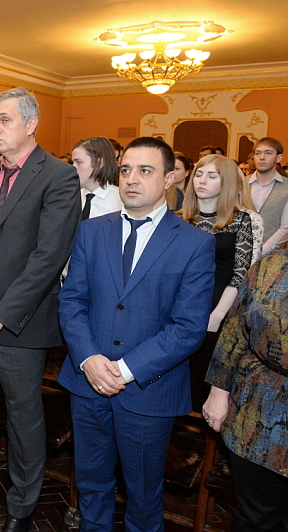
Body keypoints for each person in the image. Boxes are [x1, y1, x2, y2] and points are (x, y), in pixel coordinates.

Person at [58, 137, 216, 532]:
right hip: (87, 382)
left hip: (149, 390)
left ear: (169, 179)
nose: (132, 179)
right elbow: (71, 301)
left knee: (143, 496)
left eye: (145, 171)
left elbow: (188, 327)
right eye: (126, 169)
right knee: (90, 483)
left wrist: (124, 370)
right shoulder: (92, 231)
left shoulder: (195, 243)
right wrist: (89, 359)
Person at [0, 87, 80, 532]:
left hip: (17, 325)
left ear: (31, 123)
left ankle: (21, 507)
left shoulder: (58, 176)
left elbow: (48, 258)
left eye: (4, 119)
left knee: (23, 421)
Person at [203, 250, 288, 532]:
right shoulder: (271, 264)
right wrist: (218, 391)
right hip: (258, 415)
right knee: (256, 517)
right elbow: (235, 329)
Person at [183, 155, 255, 411]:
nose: (201, 180)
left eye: (212, 176)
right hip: (180, 305)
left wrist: (216, 317)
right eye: (199, 174)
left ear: (226, 183)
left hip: (217, 306)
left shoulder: (240, 221)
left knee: (202, 379)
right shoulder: (178, 219)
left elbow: (239, 275)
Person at [248, 137, 288, 255]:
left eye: (268, 153)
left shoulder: (286, 187)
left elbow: (285, 227)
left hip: (272, 257)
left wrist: (261, 251)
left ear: (278, 157)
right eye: (258, 153)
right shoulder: (240, 184)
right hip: (238, 254)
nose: (262, 157)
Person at [71, 136, 121, 221]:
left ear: (99, 163)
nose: (73, 168)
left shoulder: (119, 201)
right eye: (73, 162)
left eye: (79, 162)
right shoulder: (72, 198)